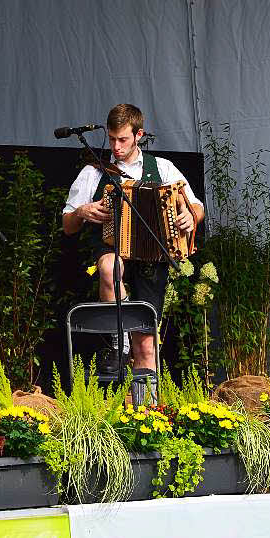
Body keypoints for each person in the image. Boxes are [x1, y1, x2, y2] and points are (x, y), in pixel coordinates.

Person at [62, 103, 204, 404]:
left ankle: (146, 413)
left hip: (152, 258)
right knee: (110, 268)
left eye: (123, 139)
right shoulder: (93, 172)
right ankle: (119, 341)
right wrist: (84, 212)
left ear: (138, 135)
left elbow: (195, 205)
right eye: (112, 139)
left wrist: (190, 218)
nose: (116, 146)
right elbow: (68, 224)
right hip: (110, 247)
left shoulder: (163, 168)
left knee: (148, 346)